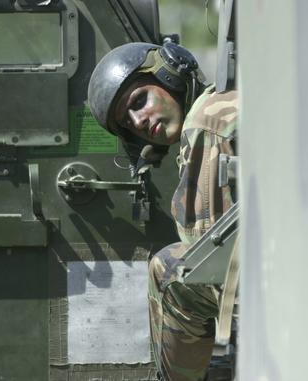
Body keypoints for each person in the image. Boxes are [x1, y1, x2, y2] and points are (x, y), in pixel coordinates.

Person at [87, 41, 238, 381]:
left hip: (274, 280)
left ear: (171, 76)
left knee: (168, 273)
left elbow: (204, 248)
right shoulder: (220, 99)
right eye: (128, 121)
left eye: (140, 100)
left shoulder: (202, 123)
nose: (139, 120)